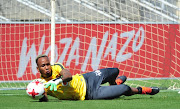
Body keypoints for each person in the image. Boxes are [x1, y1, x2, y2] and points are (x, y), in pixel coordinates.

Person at [34, 54, 159, 102]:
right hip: (90, 93)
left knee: (115, 70)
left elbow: (68, 75)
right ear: (38, 69)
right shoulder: (42, 84)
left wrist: (57, 80)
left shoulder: (56, 68)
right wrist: (37, 94)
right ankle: (143, 90)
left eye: (48, 64)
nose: (47, 67)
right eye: (43, 66)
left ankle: (114, 83)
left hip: (88, 78)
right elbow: (44, 98)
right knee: (125, 89)